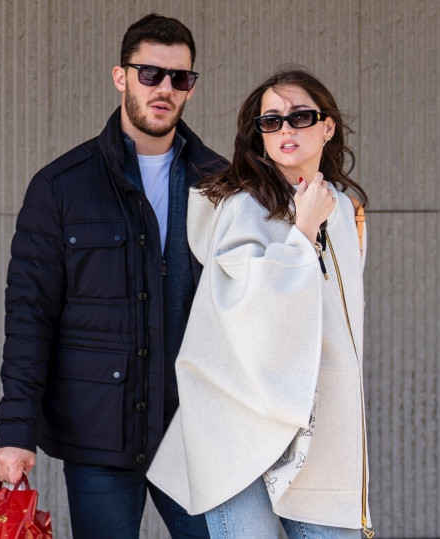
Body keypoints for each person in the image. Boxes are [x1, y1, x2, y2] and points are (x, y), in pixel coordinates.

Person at [0, 13, 225, 538]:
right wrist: (15, 430)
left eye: (179, 78)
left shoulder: (220, 185)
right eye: (150, 74)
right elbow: (29, 315)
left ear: (191, 86)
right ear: (120, 77)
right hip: (100, 436)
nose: (164, 88)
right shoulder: (60, 187)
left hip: (195, 436)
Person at [147, 68, 372, 539]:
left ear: (327, 127)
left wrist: (321, 222)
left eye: (300, 117)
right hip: (240, 424)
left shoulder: (343, 207)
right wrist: (302, 234)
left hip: (320, 423)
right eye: (271, 121)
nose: (285, 129)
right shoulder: (240, 206)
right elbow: (244, 310)